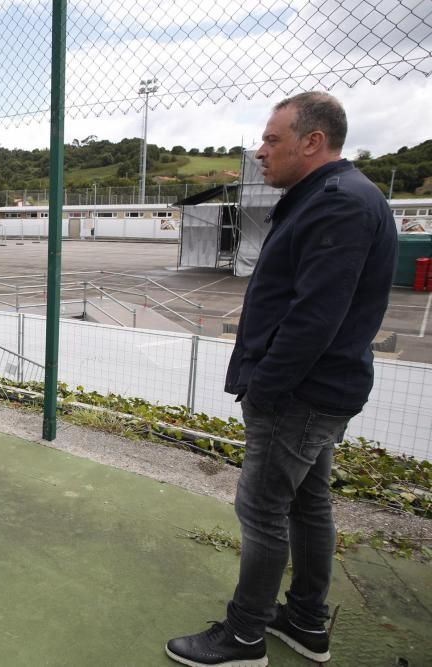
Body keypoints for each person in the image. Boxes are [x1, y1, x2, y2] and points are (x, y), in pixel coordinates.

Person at [165, 92, 397, 666]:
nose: (261, 152)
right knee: (309, 502)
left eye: (272, 140)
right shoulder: (330, 196)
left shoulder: (338, 203)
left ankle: (244, 636)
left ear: (312, 141)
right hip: (317, 389)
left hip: (299, 393)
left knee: (264, 509)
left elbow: (314, 316)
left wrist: (266, 385)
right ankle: (306, 621)